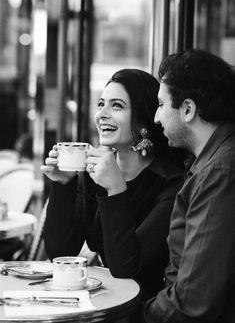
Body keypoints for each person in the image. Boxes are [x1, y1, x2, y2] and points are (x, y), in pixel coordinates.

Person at [41, 68, 185, 300]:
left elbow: (127, 267)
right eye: (100, 104)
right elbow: (60, 253)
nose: (102, 114)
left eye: (116, 106)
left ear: (142, 120)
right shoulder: (93, 173)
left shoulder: (170, 183)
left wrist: (116, 190)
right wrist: (63, 185)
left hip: (146, 307)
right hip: (100, 299)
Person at [142, 49, 235, 322]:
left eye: (160, 105)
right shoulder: (210, 163)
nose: (156, 118)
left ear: (188, 109)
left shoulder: (220, 171)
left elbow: (192, 302)